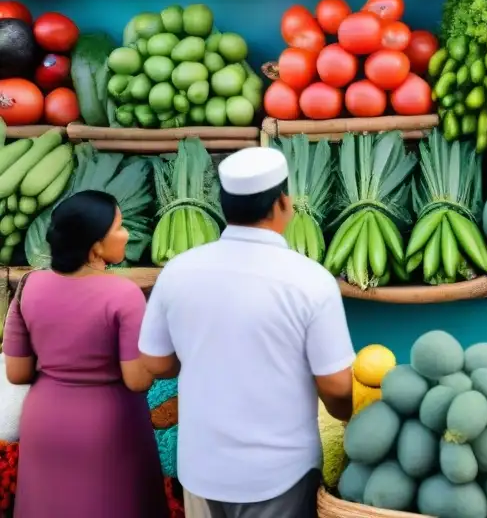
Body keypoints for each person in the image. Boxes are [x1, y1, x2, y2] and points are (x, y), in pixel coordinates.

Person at [139, 146, 355, 518]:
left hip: (201, 468)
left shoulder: (178, 271)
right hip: (280, 473)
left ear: (224, 206)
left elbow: (155, 363)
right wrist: (352, 415)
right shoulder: (310, 280)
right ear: (283, 203)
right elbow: (336, 386)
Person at [2, 189, 168, 518]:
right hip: (108, 426)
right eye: (119, 227)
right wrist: (168, 359)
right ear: (95, 245)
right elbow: (136, 380)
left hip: (45, 422)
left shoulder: (30, 284)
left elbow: (17, 373)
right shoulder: (123, 294)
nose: (127, 234)